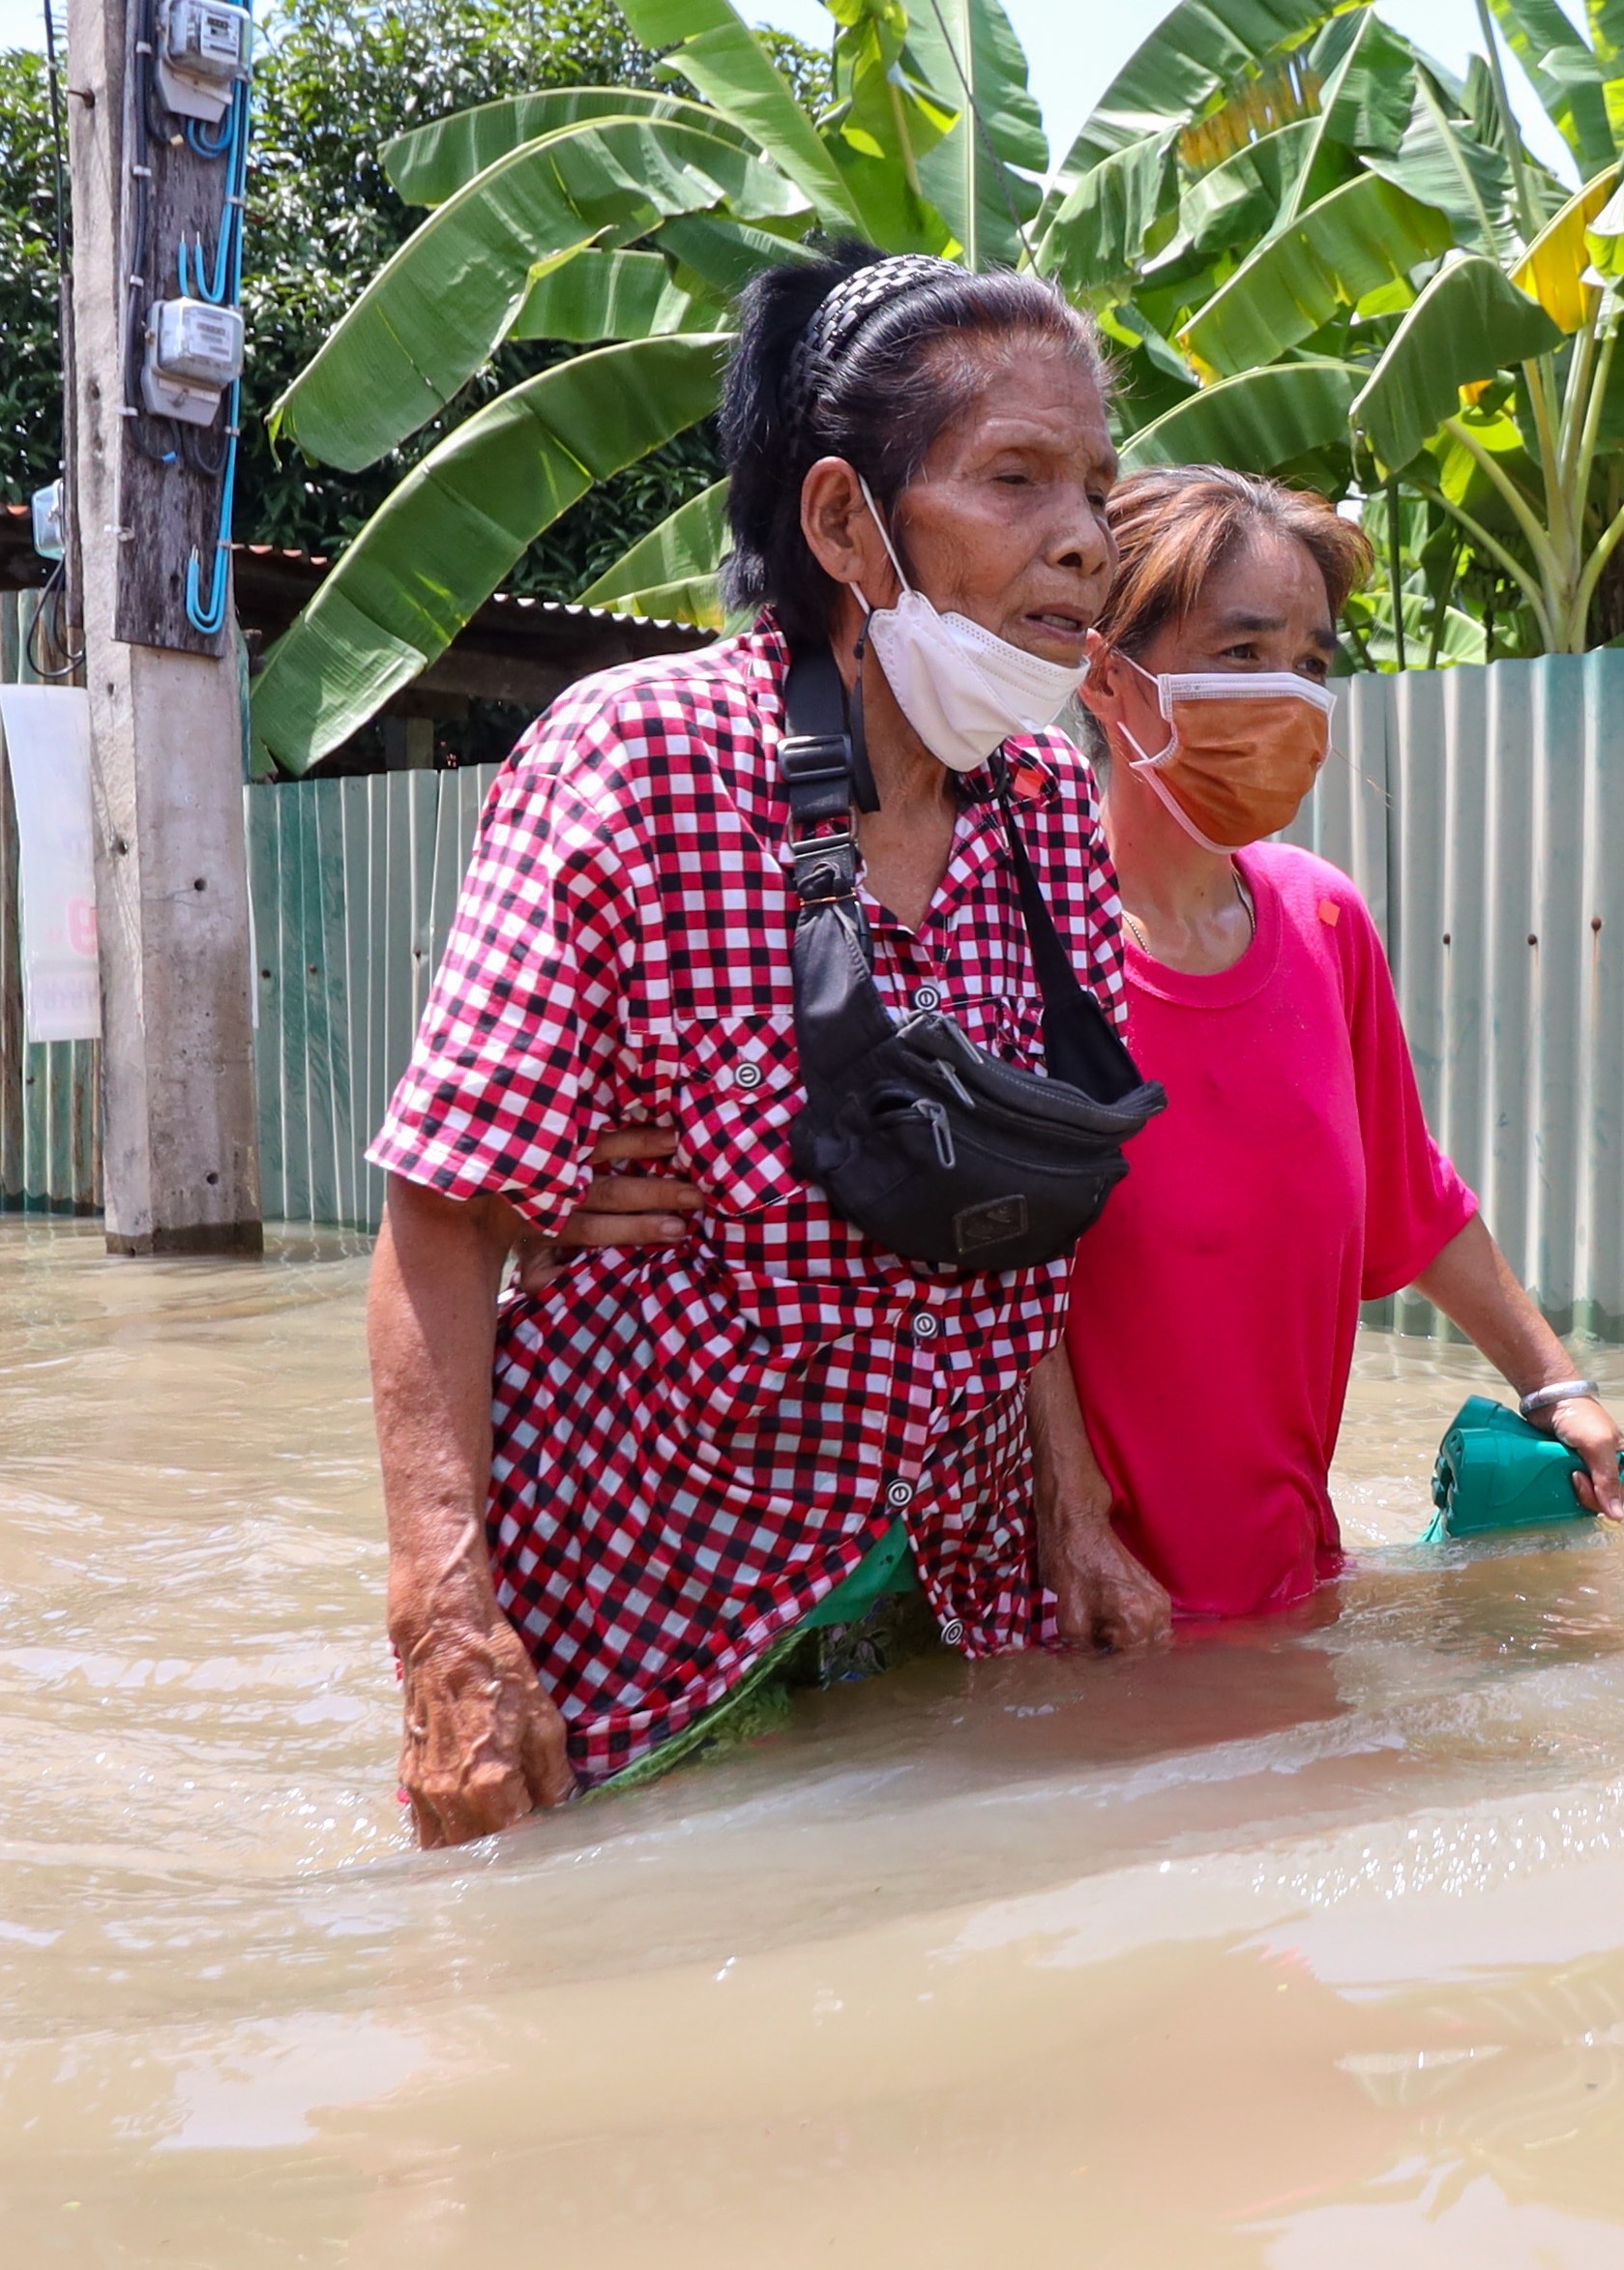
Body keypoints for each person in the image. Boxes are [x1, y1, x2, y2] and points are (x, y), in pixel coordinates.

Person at [367, 247, 1166, 1847]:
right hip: (652, 1588)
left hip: (949, 1572)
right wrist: (448, 1641)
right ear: (837, 521)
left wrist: (1077, 1515)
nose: (1084, 535)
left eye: (1094, 483)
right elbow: (445, 1214)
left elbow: (1032, 1205)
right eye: (1016, 478)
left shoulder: (1046, 801)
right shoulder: (636, 763)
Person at [1057, 467, 1624, 1617]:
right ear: (1108, 672)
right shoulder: (1020, 942)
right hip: (1085, 1618)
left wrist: (1552, 1384)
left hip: (1291, 1593)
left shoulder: (1323, 922)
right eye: (1242, 653)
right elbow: (977, 1297)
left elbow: (1410, 1197)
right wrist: (1074, 1534)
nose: (1289, 697)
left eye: (1312, 665)